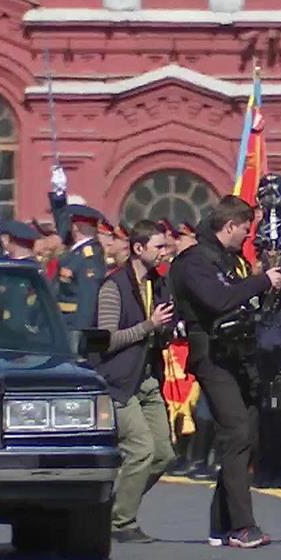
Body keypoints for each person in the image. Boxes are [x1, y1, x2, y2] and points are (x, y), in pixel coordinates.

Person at [170, 196, 281, 548]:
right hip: (212, 357)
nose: (247, 238)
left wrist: (277, 286)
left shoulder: (229, 259)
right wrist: (261, 281)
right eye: (245, 230)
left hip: (237, 354)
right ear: (230, 225)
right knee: (235, 431)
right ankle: (242, 526)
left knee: (248, 432)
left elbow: (245, 300)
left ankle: (221, 522)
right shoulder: (195, 262)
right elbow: (219, 300)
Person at [94, 220, 177, 543]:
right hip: (118, 380)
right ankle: (121, 522)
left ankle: (113, 508)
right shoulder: (114, 287)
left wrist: (167, 327)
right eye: (158, 247)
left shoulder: (157, 284)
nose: (164, 252)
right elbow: (107, 339)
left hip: (146, 378)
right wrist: (148, 325)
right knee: (140, 450)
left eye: (166, 246)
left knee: (163, 454)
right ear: (138, 249)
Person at [55, 205, 107, 331]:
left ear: (76, 226)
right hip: (64, 323)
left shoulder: (88, 258)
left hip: (73, 325)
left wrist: (80, 334)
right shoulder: (75, 253)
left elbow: (87, 300)